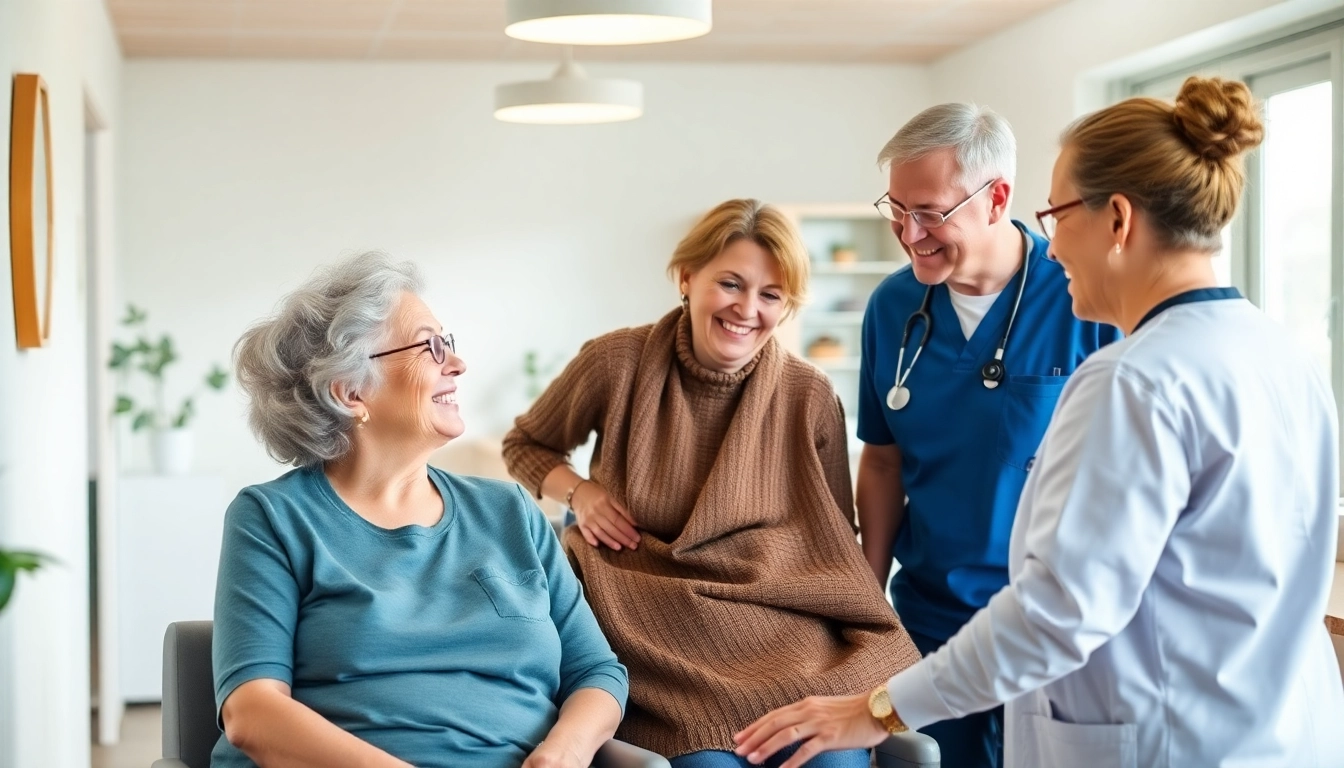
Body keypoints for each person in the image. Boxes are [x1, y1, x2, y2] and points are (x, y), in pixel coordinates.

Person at [734, 76, 1344, 768]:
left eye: (1057, 215)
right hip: (1285, 732)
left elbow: (1059, 614)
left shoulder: (1131, 379)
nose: (1051, 245)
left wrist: (876, 707)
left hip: (1169, 736)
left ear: (1117, 220)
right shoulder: (1283, 356)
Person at [502, 199, 921, 767]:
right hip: (654, 627)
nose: (747, 309)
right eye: (731, 283)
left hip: (783, 634)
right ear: (687, 277)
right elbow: (525, 445)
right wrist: (580, 492)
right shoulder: (614, 362)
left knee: (834, 761)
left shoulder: (810, 394)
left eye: (771, 295)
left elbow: (830, 537)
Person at [212, 253, 628, 768]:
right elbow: (252, 713)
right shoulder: (273, 518)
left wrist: (559, 756)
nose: (457, 363)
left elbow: (597, 672)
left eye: (447, 343)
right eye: (431, 346)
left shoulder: (510, 512)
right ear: (350, 390)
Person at [852, 103, 1121, 767]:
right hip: (928, 623)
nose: (908, 233)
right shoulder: (893, 307)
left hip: (1051, 625)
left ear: (997, 198)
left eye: (930, 211)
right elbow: (882, 463)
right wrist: (866, 602)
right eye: (896, 208)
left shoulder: (1082, 297)